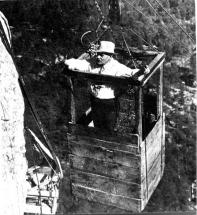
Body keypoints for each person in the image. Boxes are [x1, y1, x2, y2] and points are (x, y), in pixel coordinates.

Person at [65, 40, 139, 133]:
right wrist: (67, 62)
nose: (98, 57)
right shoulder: (92, 63)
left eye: (102, 55)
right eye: (98, 54)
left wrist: (142, 71)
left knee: (108, 128)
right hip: (95, 101)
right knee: (97, 125)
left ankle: (108, 144)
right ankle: (98, 144)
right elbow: (77, 64)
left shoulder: (116, 67)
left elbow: (131, 72)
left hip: (109, 103)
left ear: (110, 56)